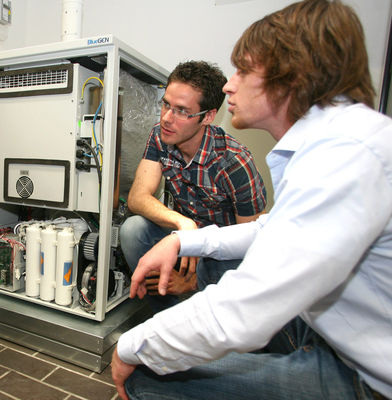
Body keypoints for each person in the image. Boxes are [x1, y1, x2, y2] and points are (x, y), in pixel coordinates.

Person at [112, 0, 392, 399]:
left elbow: (250, 298)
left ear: (289, 80)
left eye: (243, 70)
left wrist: (133, 346)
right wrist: (183, 237)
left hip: (364, 378)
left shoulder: (346, 155)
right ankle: (185, 325)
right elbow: (272, 229)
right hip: (328, 331)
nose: (230, 85)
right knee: (142, 234)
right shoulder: (331, 144)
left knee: (148, 374)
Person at [119, 60, 266, 309]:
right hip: (184, 240)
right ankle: (165, 315)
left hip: (223, 255)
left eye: (181, 111)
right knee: (133, 230)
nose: (166, 118)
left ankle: (208, 320)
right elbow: (137, 198)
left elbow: (253, 248)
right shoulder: (160, 136)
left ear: (207, 116)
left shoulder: (234, 162)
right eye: (166, 104)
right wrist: (182, 223)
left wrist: (195, 281)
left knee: (236, 264)